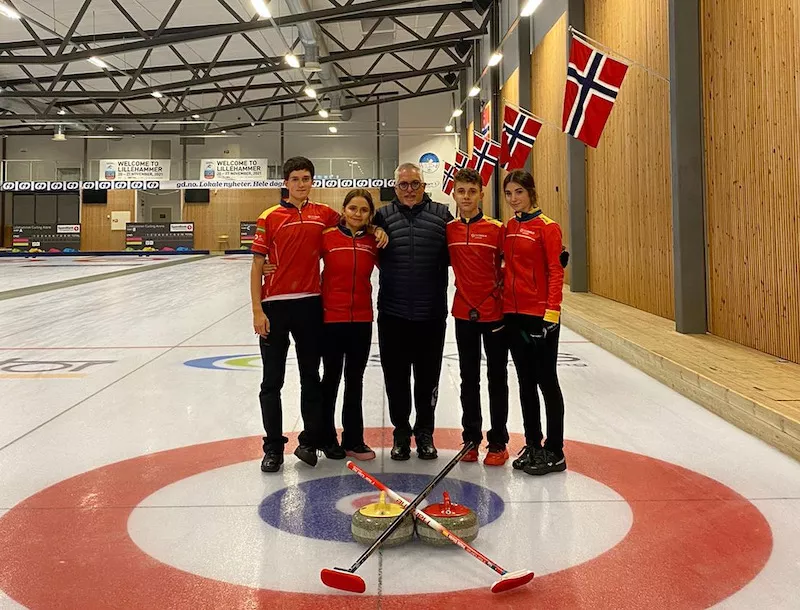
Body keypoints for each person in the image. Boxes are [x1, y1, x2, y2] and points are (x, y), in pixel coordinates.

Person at [250, 157, 387, 473]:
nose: (301, 184)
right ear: (285, 182)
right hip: (274, 306)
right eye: (295, 179)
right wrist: (257, 310)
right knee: (272, 381)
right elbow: (257, 265)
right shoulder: (269, 216)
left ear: (312, 181)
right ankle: (273, 448)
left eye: (306, 178)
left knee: (311, 377)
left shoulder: (324, 215)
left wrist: (376, 227)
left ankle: (310, 441)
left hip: (311, 305)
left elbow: (354, 220)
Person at [373, 162, 454, 461]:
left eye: (415, 184)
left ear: (424, 186)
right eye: (403, 184)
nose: (409, 190)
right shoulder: (382, 217)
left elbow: (463, 251)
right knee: (395, 379)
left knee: (427, 378)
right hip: (393, 315)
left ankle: (425, 433)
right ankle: (400, 433)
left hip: (430, 315)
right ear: (395, 187)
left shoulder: (442, 216)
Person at [502, 169, 567, 475]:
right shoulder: (509, 227)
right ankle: (533, 444)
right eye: (509, 193)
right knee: (525, 382)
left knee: (546, 381)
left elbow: (555, 271)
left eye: (519, 192)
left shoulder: (548, 227)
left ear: (531, 192)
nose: (514, 198)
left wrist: (551, 312)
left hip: (539, 316)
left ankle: (555, 449)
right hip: (513, 315)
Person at [446, 168, 510, 466]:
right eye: (461, 191)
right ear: (454, 194)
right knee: (468, 379)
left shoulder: (497, 230)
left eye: (472, 191)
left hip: (495, 315)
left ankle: (498, 442)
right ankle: (471, 439)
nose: (466, 197)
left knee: (497, 378)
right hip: (464, 314)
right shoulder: (449, 230)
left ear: (481, 194)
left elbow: (514, 265)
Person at [318, 190, 379, 460]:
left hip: (362, 320)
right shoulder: (327, 237)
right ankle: (326, 438)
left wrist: (378, 231)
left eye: (364, 210)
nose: (357, 213)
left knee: (355, 380)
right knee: (330, 379)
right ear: (343, 210)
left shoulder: (373, 241)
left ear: (370, 215)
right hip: (331, 319)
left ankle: (353, 440)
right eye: (353, 208)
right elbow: (301, 261)